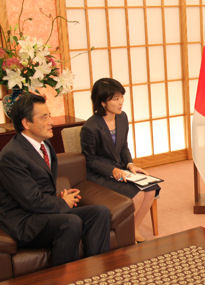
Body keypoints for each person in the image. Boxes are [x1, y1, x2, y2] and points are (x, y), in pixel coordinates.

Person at [0, 93, 110, 267]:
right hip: (25, 221)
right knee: (70, 223)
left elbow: (41, 188)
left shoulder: (44, 145)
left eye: (50, 115)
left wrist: (59, 198)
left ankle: (95, 273)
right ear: (26, 123)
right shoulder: (11, 155)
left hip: (44, 214)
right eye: (45, 117)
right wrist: (62, 203)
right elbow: (30, 200)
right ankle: (63, 284)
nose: (51, 121)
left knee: (100, 213)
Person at [80, 77, 160, 243]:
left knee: (151, 187)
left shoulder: (122, 117)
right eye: (115, 99)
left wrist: (130, 164)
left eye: (121, 97)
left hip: (122, 168)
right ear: (102, 103)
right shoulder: (91, 127)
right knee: (137, 193)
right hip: (100, 174)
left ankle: (133, 228)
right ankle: (128, 231)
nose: (121, 102)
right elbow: (90, 160)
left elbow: (123, 146)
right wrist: (112, 171)